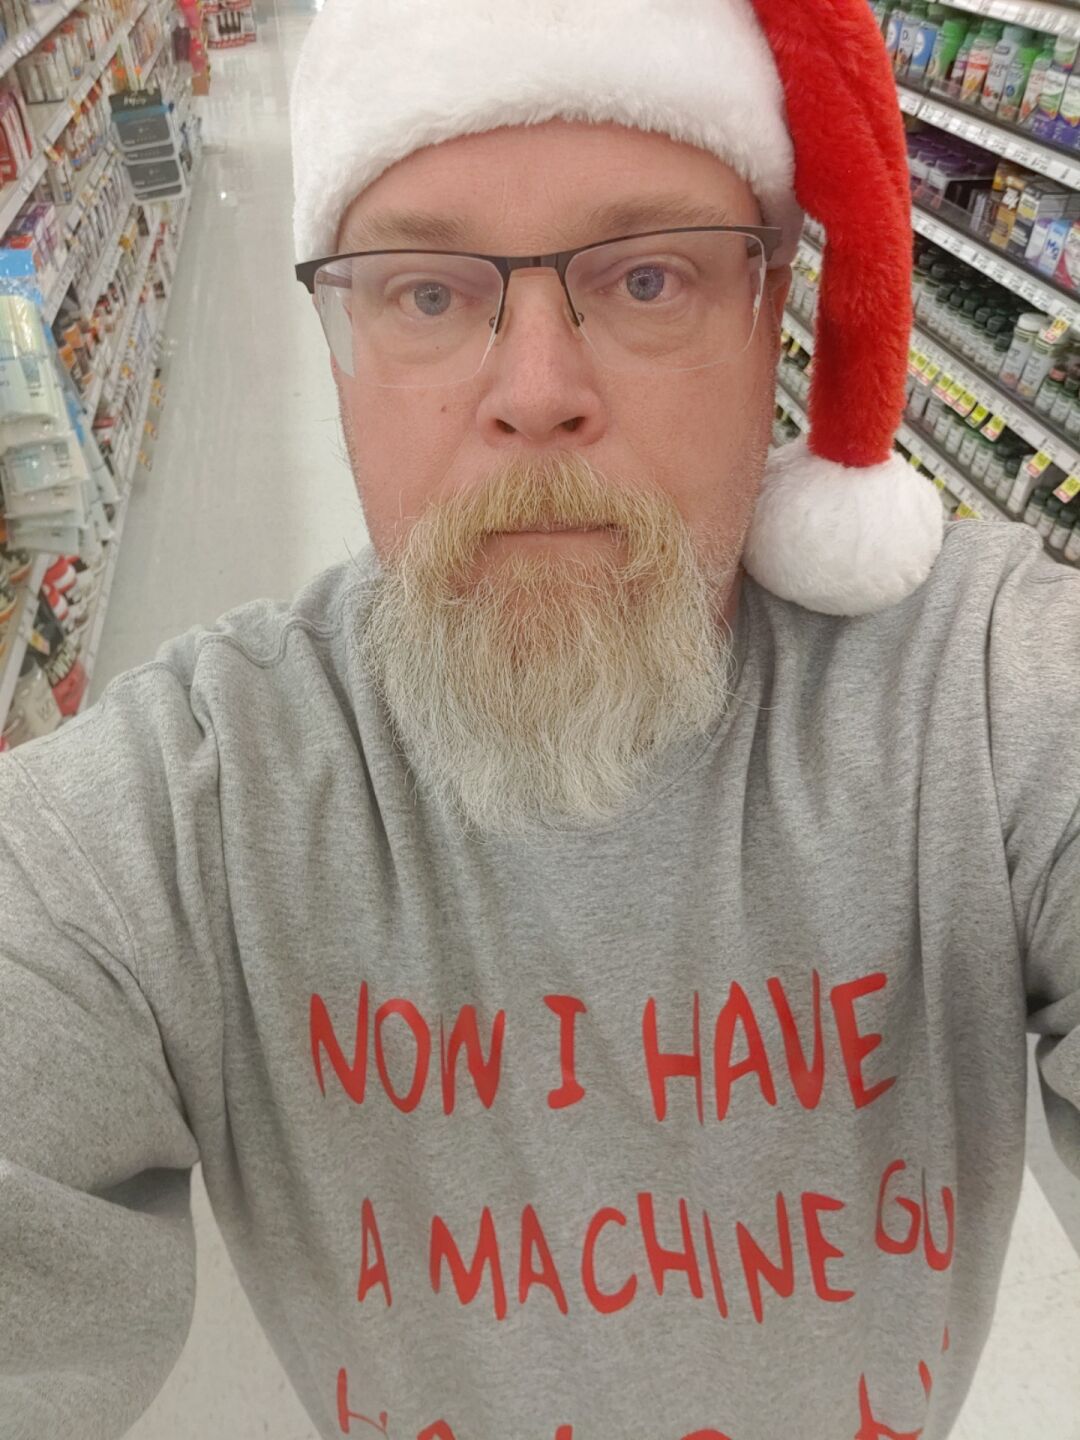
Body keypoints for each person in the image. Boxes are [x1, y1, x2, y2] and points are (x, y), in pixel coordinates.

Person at [1, 0, 1078, 1437]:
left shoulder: (994, 704)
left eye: (648, 278)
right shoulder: (184, 816)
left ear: (772, 313)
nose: (536, 393)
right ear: (339, 345)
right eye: (427, 295)